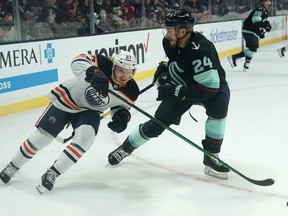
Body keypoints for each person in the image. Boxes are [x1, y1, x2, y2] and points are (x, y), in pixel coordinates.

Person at [107, 8, 231, 180]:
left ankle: (211, 156)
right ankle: (126, 148)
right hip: (184, 85)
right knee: (157, 124)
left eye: (170, 30)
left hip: (208, 87)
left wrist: (176, 90)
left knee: (220, 102)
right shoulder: (169, 42)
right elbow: (179, 62)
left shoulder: (202, 49)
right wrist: (167, 69)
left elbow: (209, 88)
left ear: (182, 31)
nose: (166, 34)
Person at [0, 50, 139, 193]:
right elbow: (77, 60)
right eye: (121, 70)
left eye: (129, 72)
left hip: (90, 111)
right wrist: (92, 71)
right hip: (68, 100)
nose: (125, 76)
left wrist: (121, 116)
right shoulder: (102, 63)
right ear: (113, 67)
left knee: (86, 138)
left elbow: (121, 106)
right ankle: (13, 166)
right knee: (42, 138)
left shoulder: (132, 90)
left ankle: (53, 172)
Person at [227, 0, 272, 71]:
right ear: (262, 2)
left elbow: (261, 23)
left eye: (269, 1)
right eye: (267, 1)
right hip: (248, 30)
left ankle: (246, 62)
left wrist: (261, 32)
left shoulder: (265, 12)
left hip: (252, 31)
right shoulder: (259, 11)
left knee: (253, 48)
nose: (269, 3)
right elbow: (256, 22)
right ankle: (235, 57)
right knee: (253, 47)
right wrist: (264, 26)